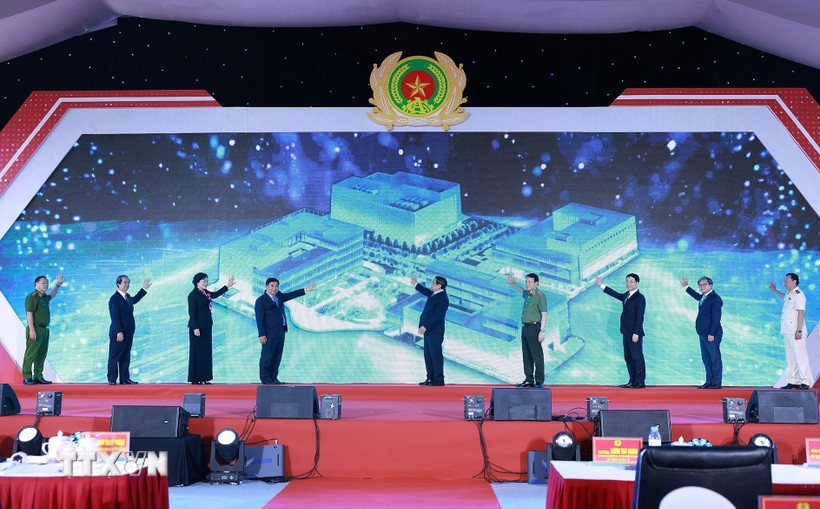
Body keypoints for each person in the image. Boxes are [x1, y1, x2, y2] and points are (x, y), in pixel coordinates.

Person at [254, 277, 315, 385]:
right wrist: (262, 334)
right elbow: (259, 319)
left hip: (281, 331)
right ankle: (265, 378)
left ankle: (273, 377)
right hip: (268, 333)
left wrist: (306, 289)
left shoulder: (279, 296)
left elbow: (291, 294)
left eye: (276, 286)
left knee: (277, 355)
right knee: (267, 356)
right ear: (266, 287)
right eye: (272, 286)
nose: (274, 288)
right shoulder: (260, 301)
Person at [595, 273, 646, 388]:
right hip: (626, 331)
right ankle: (632, 380)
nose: (629, 283)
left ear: (637, 283)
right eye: (627, 281)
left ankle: (640, 381)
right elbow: (616, 295)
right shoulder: (626, 295)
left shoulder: (640, 298)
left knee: (637, 356)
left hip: (634, 333)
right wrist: (601, 285)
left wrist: (636, 333)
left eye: (631, 281)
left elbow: (640, 316)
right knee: (628, 357)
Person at [187, 272, 235, 385]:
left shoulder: (205, 293)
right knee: (197, 352)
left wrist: (227, 286)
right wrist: (195, 327)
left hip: (207, 325)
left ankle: (204, 377)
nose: (206, 283)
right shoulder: (193, 295)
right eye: (204, 281)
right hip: (197, 327)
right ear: (197, 282)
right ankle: (195, 378)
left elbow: (215, 294)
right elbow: (192, 313)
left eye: (207, 281)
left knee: (206, 353)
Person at [680, 276, 723, 389]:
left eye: (704, 284)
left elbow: (716, 318)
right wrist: (686, 286)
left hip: (712, 334)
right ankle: (709, 381)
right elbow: (697, 296)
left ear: (711, 285)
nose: (702, 287)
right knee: (706, 358)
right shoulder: (704, 297)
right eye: (700, 285)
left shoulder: (715, 298)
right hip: (703, 333)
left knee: (714, 358)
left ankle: (716, 383)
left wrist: (712, 334)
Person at [107, 275, 152, 385]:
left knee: (125, 356)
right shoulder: (114, 298)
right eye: (125, 282)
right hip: (119, 333)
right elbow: (114, 317)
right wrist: (119, 331)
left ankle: (124, 378)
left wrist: (144, 288)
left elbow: (135, 299)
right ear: (118, 284)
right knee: (115, 356)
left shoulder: (127, 297)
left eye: (128, 283)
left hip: (128, 332)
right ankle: (112, 378)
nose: (127, 285)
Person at [507, 272, 547, 388]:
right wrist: (513, 283)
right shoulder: (528, 294)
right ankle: (529, 379)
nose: (527, 284)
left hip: (535, 328)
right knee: (527, 355)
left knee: (537, 355)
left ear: (536, 283)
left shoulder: (540, 296)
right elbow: (521, 291)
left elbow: (544, 314)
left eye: (530, 282)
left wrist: (542, 331)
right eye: (526, 281)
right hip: (525, 328)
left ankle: (539, 381)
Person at [769, 273, 809, 390]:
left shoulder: (799, 295)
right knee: (790, 357)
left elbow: (801, 312)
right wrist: (774, 290)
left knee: (800, 356)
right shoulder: (790, 294)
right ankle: (793, 380)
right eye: (785, 280)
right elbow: (784, 297)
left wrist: (799, 329)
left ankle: (805, 380)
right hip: (787, 331)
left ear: (794, 281)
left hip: (796, 331)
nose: (785, 283)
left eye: (787, 280)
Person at [23, 274, 64, 385]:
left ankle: (38, 376)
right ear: (36, 284)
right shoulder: (32, 296)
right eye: (43, 283)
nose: (46, 285)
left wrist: (57, 285)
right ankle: (27, 376)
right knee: (31, 353)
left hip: (44, 330)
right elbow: (29, 314)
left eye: (47, 283)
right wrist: (32, 330)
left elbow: (51, 295)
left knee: (41, 354)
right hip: (35, 328)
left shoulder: (43, 297)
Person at [410, 275, 449, 386]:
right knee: (428, 355)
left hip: (435, 331)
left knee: (435, 355)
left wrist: (425, 326)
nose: (431, 284)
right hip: (428, 331)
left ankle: (439, 379)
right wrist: (416, 284)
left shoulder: (443, 298)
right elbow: (426, 291)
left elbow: (438, 316)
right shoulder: (435, 293)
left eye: (433, 283)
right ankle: (430, 378)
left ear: (439, 285)